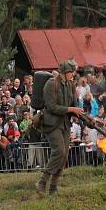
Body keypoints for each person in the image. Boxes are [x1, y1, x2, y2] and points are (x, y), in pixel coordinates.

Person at [35, 59, 85, 196]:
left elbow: (75, 105)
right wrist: (70, 109)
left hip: (64, 124)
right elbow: (51, 107)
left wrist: (84, 116)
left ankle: (53, 187)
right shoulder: (51, 84)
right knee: (59, 151)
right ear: (65, 72)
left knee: (64, 156)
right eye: (71, 72)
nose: (73, 74)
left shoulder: (71, 84)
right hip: (51, 123)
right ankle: (42, 181)